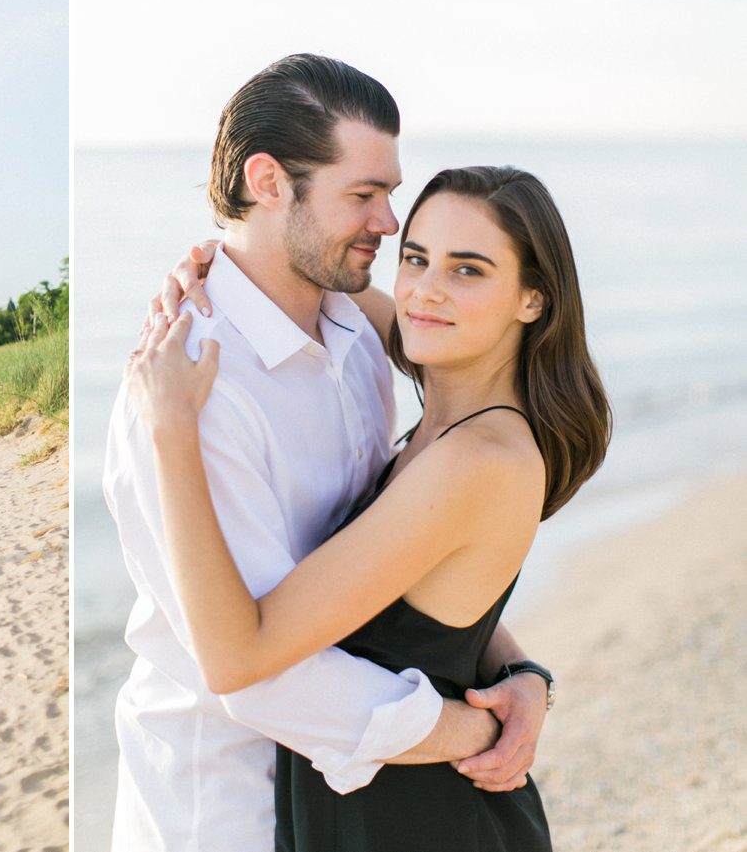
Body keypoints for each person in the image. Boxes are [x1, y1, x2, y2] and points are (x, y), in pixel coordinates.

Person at [103, 55, 572, 851]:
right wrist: (466, 727)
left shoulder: (358, 331)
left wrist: (521, 672)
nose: (390, 225)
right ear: (268, 180)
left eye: (391, 192)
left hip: (358, 805)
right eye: (364, 195)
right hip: (221, 806)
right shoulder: (192, 389)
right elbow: (253, 668)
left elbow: (394, 571)